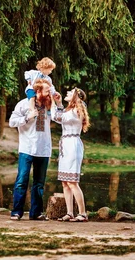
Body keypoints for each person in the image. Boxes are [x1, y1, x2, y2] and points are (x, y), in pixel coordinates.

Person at [8, 78, 54, 221]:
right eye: (47, 91)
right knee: (22, 180)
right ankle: (16, 212)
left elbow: (59, 117)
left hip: (44, 149)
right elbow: (12, 122)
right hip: (27, 148)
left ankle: (36, 213)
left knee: (39, 184)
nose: (49, 93)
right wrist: (28, 117)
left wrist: (57, 102)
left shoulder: (49, 106)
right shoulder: (23, 104)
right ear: (38, 91)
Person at [53, 87, 90, 222]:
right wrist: (58, 104)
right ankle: (69, 213)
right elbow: (62, 115)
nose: (67, 93)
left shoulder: (76, 110)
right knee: (65, 182)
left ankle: (82, 213)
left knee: (72, 182)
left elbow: (58, 117)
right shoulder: (71, 109)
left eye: (70, 92)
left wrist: (53, 103)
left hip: (73, 145)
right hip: (66, 145)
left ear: (76, 96)